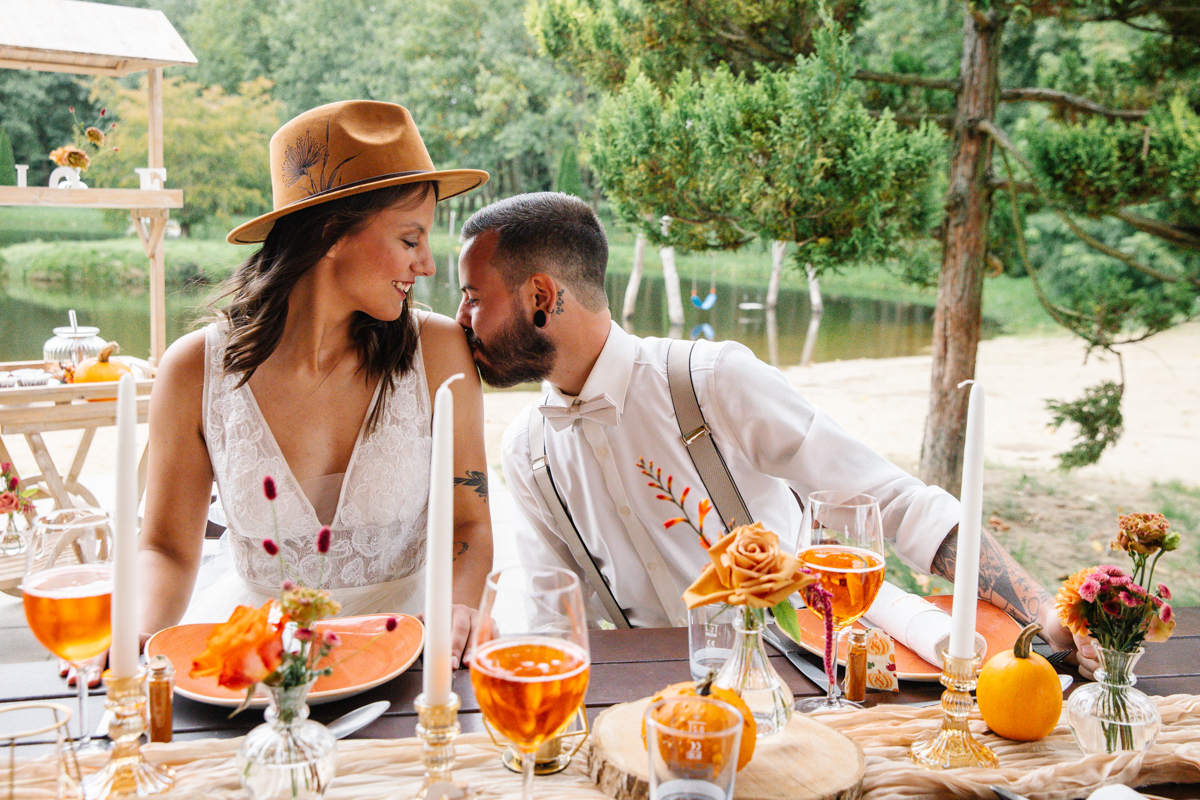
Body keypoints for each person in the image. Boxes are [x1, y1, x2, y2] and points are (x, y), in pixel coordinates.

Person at [453, 191, 1096, 674]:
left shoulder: (710, 381)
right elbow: (549, 617)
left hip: (804, 678)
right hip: (652, 700)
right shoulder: (526, 451)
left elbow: (890, 501)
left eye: (473, 297)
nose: (460, 322)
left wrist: (1041, 609)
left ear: (541, 297)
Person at [109, 101, 494, 687]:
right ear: (330, 232)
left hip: (412, 665)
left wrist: (460, 610)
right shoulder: (194, 370)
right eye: (410, 238)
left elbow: (469, 522)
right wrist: (133, 631)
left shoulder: (438, 352)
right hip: (262, 674)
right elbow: (164, 547)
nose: (427, 264)